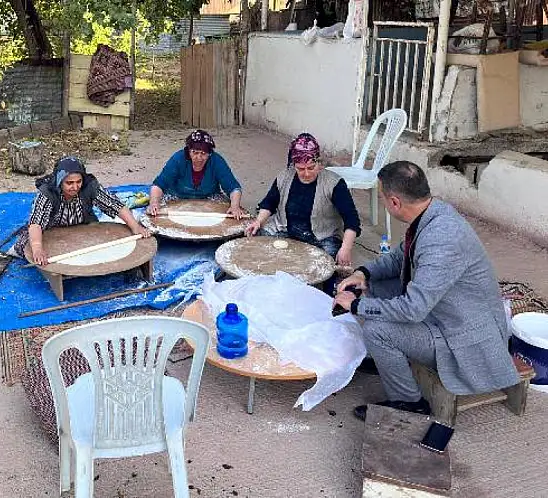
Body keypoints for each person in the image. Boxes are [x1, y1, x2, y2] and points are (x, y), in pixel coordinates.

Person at [333, 161, 518, 421]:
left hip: (462, 336)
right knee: (375, 287)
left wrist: (355, 305)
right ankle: (388, 362)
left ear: (395, 202)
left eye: (384, 198)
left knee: (377, 330)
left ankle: (409, 403)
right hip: (446, 311)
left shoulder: (442, 238)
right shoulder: (431, 213)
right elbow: (399, 258)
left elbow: (412, 309)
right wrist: (363, 274)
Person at [245, 133, 361, 268]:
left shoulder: (334, 184)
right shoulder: (284, 177)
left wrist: (346, 249)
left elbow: (352, 220)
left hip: (321, 237)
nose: (306, 173)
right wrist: (258, 221)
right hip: (285, 231)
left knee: (328, 266)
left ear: (318, 162)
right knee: (254, 241)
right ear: (294, 165)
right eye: (300, 169)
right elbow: (269, 203)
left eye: (311, 167)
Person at [12, 156, 151, 265]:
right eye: (69, 183)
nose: (75, 187)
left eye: (78, 181)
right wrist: (37, 248)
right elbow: (36, 221)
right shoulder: (48, 192)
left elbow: (114, 204)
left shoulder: (89, 186)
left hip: (83, 226)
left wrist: (135, 226)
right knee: (26, 247)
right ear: (60, 181)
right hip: (52, 230)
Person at [146, 129, 246, 219]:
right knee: (154, 215)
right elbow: (159, 185)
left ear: (210, 154)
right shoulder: (178, 158)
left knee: (232, 216)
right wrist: (154, 203)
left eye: (203, 153)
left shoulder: (216, 160)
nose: (199, 157)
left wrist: (235, 206)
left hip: (209, 197)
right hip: (177, 196)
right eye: (195, 152)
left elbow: (233, 188)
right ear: (188, 151)